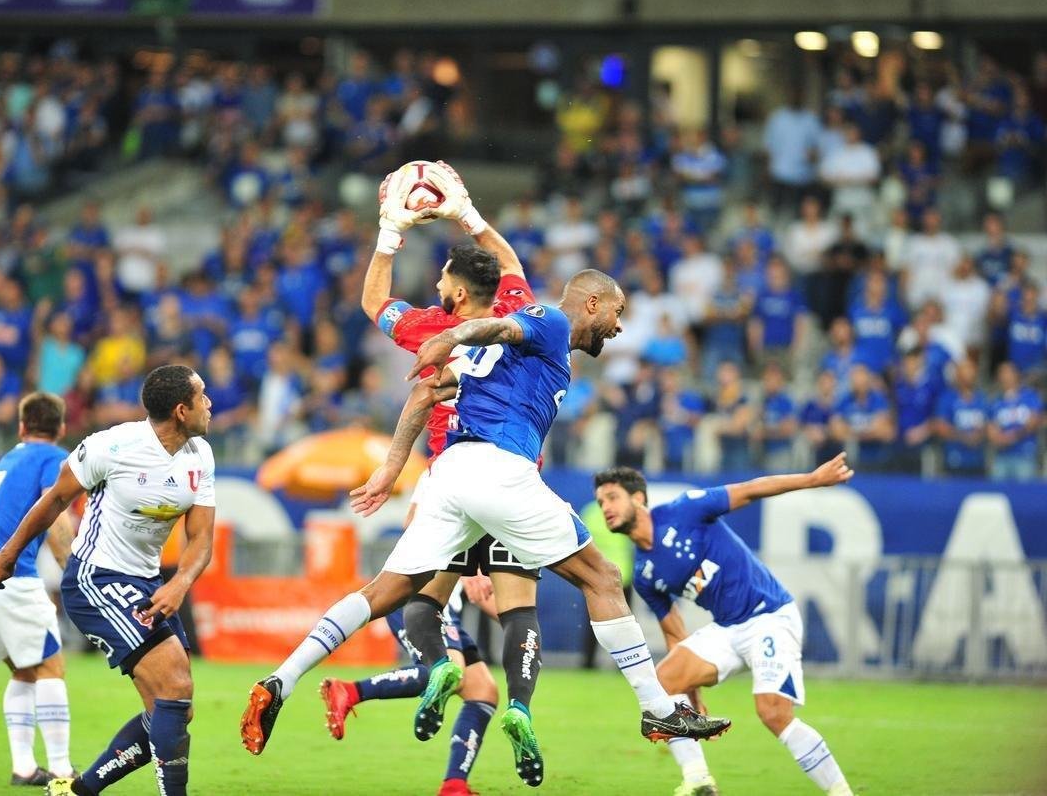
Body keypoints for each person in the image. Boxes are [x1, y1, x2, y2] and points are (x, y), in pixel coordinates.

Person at [242, 268, 731, 787]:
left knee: (386, 591)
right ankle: (657, 708)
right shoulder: (551, 322)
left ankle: (282, 679)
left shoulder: (530, 353)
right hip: (499, 470)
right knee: (603, 578)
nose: (617, 327)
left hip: (452, 474)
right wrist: (449, 334)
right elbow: (500, 328)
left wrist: (389, 468)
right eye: (617, 312)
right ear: (590, 303)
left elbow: (428, 393)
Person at [319, 161, 543, 796]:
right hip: (515, 477)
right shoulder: (515, 313)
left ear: (451, 291)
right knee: (519, 623)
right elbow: (509, 263)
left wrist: (390, 232)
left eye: (442, 274)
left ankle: (420, 665)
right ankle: (471, 755)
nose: (436, 281)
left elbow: (371, 302)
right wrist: (467, 215)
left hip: (449, 479)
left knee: (417, 600)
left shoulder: (429, 329)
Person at [0, 364, 216, 796]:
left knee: (174, 710)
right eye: (202, 396)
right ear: (182, 410)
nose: (211, 403)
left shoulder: (200, 456)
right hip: (95, 579)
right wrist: (10, 552)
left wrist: (180, 582)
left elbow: (201, 538)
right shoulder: (111, 446)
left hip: (150, 582)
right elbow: (55, 498)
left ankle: (80, 790)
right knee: (176, 685)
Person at [593, 460, 856, 796]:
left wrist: (812, 479)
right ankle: (698, 779)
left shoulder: (685, 510)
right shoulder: (645, 572)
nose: (606, 508)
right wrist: (692, 697)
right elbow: (675, 633)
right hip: (728, 629)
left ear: (639, 498)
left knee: (773, 713)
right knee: (661, 685)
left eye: (612, 498)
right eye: (601, 503)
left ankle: (841, 792)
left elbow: (749, 490)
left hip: (769, 616)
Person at [0, 392, 77, 786]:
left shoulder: (8, 458)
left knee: (25, 671)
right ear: (60, 429)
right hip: (7, 576)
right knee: (51, 667)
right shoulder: (52, 457)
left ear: (21, 427)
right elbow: (54, 510)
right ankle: (61, 769)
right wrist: (71, 571)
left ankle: (24, 767)